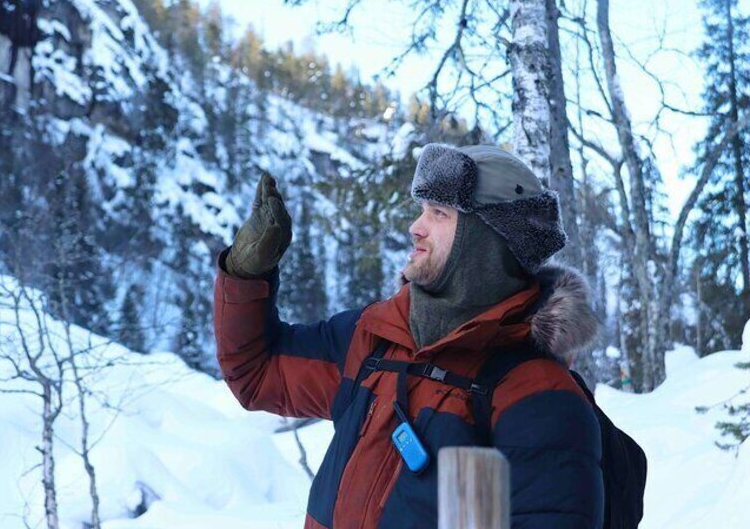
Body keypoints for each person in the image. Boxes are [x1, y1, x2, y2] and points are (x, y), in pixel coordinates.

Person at [213, 143, 604, 528]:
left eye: (439, 213)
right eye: (421, 211)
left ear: (486, 241)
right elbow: (258, 374)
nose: (416, 227)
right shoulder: (373, 339)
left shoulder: (535, 394)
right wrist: (246, 276)